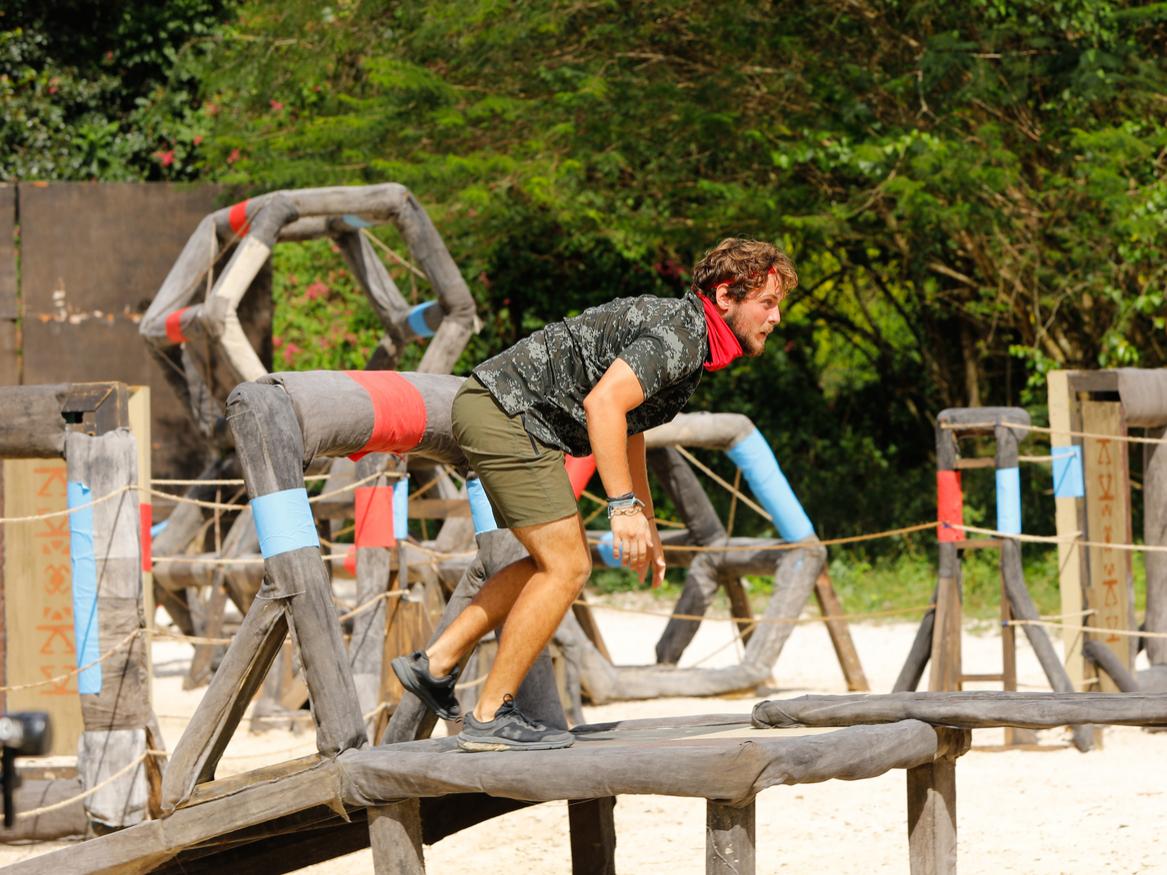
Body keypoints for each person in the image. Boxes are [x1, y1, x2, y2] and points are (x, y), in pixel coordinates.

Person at [392, 237, 797, 751]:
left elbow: (630, 425)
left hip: (506, 414)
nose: (775, 317)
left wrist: (644, 516)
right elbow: (603, 404)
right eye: (767, 302)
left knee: (552, 563)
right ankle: (490, 715)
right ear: (724, 296)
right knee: (567, 567)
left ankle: (436, 663)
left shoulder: (691, 338)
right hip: (509, 415)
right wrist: (621, 506)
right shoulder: (683, 334)